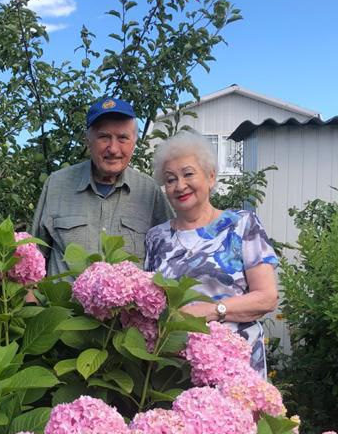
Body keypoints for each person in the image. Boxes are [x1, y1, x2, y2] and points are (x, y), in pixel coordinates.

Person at [145, 131, 278, 376]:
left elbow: (267, 297)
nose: (180, 185)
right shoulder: (156, 238)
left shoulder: (242, 225)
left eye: (188, 174)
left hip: (236, 370)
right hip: (174, 371)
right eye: (170, 179)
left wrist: (212, 311)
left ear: (210, 177)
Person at [31, 97, 171, 275]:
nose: (113, 148)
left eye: (122, 138)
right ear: (88, 140)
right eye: (104, 137)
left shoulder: (149, 191)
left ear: (134, 143)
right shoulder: (57, 184)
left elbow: (171, 255)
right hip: (61, 303)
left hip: (128, 304)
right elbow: (33, 256)